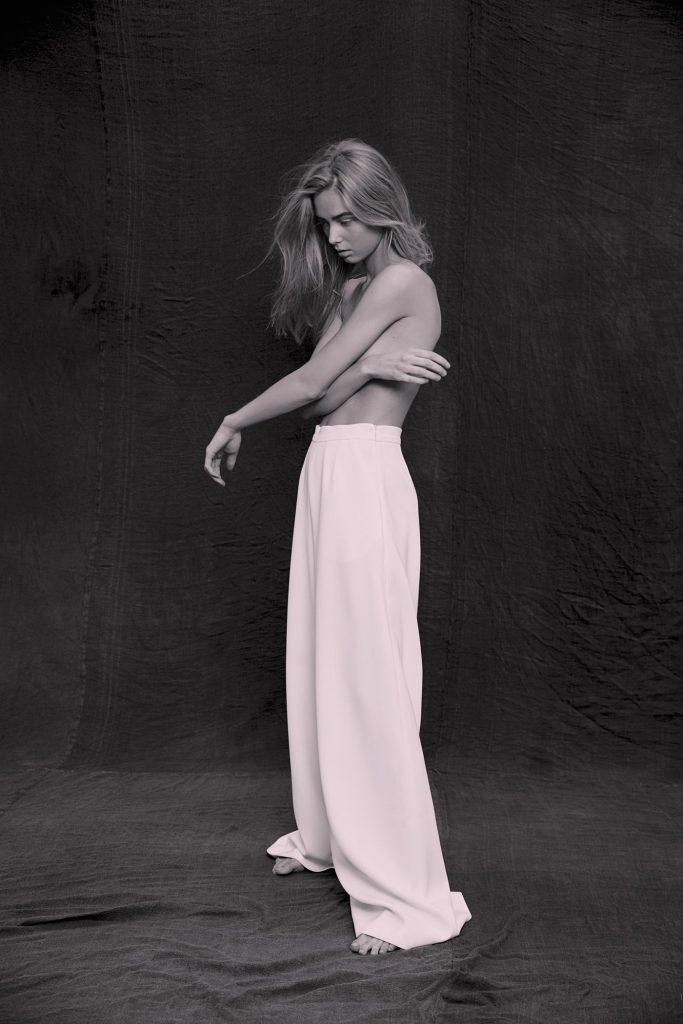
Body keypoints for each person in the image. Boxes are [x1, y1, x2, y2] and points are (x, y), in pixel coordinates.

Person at [204, 139, 472, 955]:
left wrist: (233, 419)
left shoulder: (402, 282)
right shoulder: (353, 290)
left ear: (383, 208)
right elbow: (320, 404)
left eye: (348, 219)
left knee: (365, 678)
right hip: (327, 472)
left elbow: (315, 385)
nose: (335, 236)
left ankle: (401, 896)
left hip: (364, 478)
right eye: (325, 223)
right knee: (321, 664)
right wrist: (373, 363)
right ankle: (329, 836)